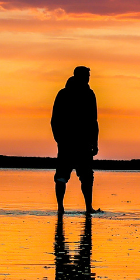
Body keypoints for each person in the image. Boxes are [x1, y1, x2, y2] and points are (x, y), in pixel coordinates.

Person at [51, 66, 99, 213]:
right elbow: (55, 120)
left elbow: (93, 121)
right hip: (68, 143)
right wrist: (59, 139)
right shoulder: (64, 94)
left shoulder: (89, 94)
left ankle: (88, 207)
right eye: (87, 75)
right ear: (80, 76)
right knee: (62, 177)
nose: (88, 78)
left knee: (86, 177)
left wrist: (94, 142)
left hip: (83, 144)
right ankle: (60, 207)